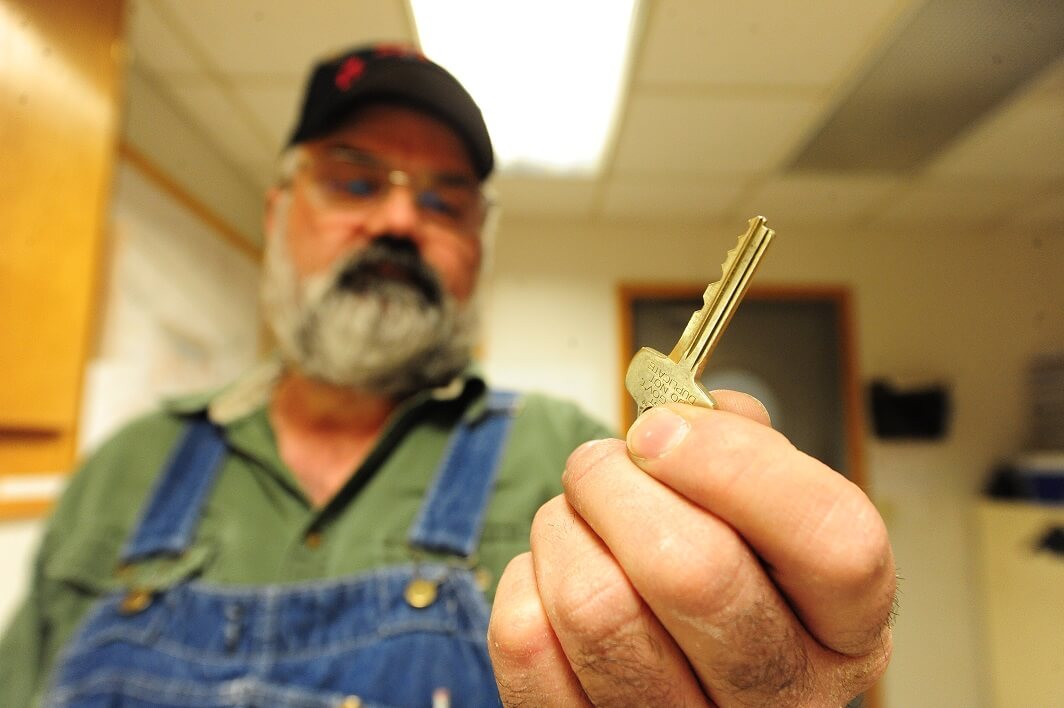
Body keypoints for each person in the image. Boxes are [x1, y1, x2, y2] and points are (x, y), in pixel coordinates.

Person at [0, 44, 895, 707]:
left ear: (477, 249)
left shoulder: (576, 458)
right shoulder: (123, 470)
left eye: (443, 200)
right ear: (278, 214)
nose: (398, 219)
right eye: (354, 182)